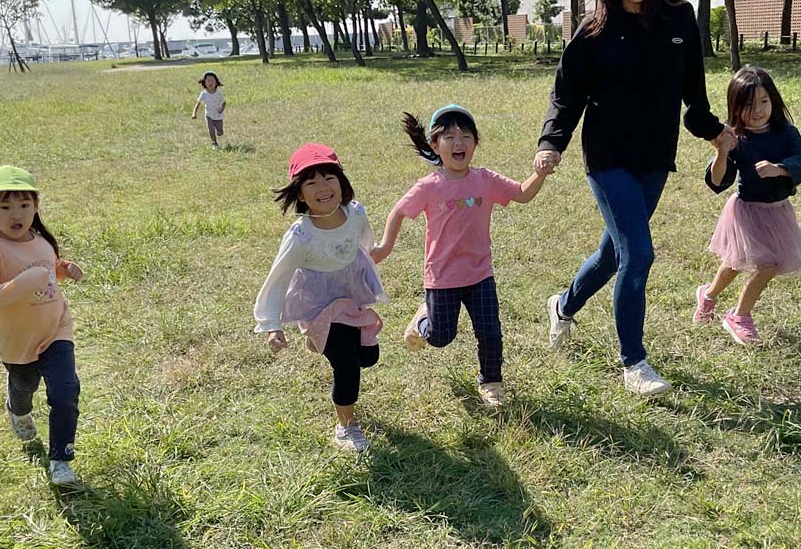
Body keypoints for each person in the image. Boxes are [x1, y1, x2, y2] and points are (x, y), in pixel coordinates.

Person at [535, 0, 734, 396]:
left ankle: (561, 306)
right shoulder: (592, 30)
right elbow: (567, 97)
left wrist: (716, 134)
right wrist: (551, 143)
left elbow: (695, 98)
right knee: (638, 254)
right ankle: (635, 364)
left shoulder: (680, 18)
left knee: (612, 253)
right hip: (607, 158)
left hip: (655, 157)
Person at [372, 104, 552, 407]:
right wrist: (385, 245)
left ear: (475, 143)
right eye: (450, 136)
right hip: (442, 277)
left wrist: (539, 173)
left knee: (490, 332)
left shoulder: (485, 179)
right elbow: (399, 211)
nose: (459, 142)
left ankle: (491, 382)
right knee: (442, 337)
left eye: (466, 136)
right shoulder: (429, 186)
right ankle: (423, 318)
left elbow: (521, 193)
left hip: (480, 273)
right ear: (435, 145)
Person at [254, 144, 385, 453]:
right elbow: (279, 276)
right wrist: (273, 325)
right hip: (317, 305)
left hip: (350, 295)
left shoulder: (355, 213)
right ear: (299, 193)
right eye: (311, 182)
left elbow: (364, 240)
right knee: (347, 365)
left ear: (341, 182)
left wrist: (369, 259)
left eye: (329, 177)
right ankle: (346, 428)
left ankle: (321, 342)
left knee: (368, 357)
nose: (322, 187)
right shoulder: (302, 235)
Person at [0, 165, 85, 486]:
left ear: (35, 206)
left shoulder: (41, 240)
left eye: (24, 205)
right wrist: (20, 284)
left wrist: (64, 269)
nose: (15, 214)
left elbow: (46, 269)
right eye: (5, 207)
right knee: (24, 389)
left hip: (56, 329)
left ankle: (61, 459)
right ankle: (17, 410)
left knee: (65, 391)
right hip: (18, 343)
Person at [693, 66, 801, 344]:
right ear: (735, 107)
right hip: (746, 212)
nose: (758, 111)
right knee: (768, 264)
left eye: (764, 102)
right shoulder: (735, 139)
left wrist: (780, 169)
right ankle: (739, 316)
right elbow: (718, 181)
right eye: (749, 105)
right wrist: (722, 151)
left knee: (735, 264)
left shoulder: (787, 133)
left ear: (773, 101)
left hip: (777, 211)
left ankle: (707, 295)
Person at [191, 71, 226, 149]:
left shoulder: (218, 93)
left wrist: (221, 110)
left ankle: (219, 131)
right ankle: (214, 143)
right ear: (204, 83)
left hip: (218, 115)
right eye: (208, 80)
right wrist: (194, 113)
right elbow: (198, 103)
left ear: (216, 82)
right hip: (208, 114)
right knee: (211, 129)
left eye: (213, 81)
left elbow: (224, 103)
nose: (211, 83)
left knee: (220, 132)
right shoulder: (204, 94)